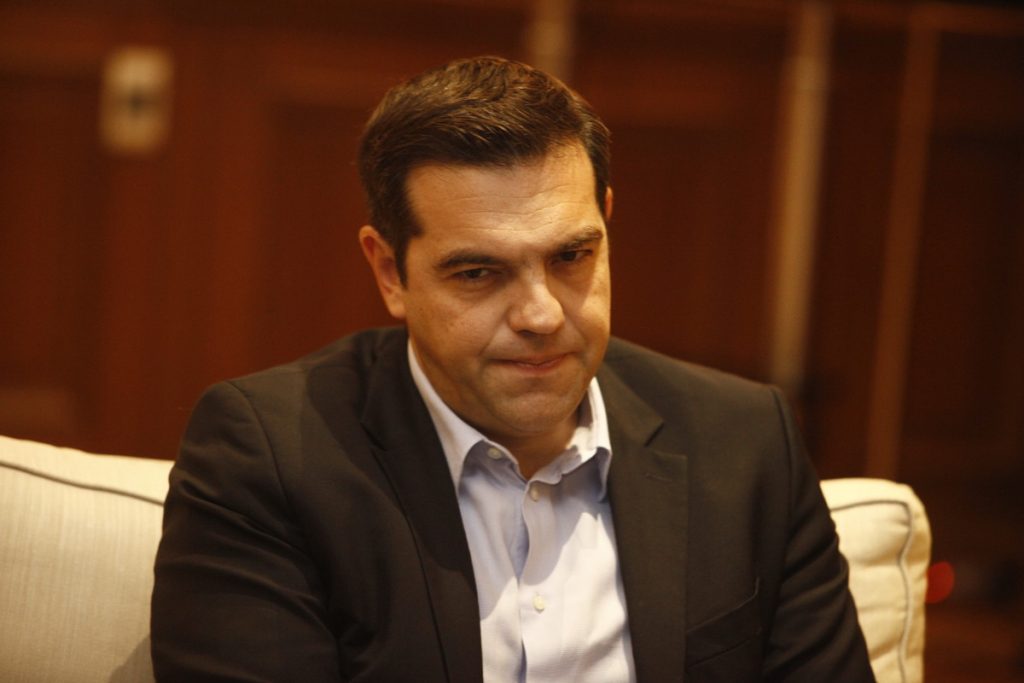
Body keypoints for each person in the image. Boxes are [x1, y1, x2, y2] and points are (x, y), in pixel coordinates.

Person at [151, 56, 874, 682]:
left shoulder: (745, 443)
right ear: (390, 271)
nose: (541, 315)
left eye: (571, 256)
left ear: (607, 223)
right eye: (478, 272)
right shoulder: (271, 457)